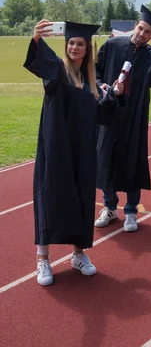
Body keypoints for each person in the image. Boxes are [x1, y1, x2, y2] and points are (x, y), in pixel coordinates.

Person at [24, 20, 123, 286]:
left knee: (81, 198)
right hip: (56, 149)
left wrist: (112, 94)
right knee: (50, 196)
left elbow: (102, 115)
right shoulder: (58, 70)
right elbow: (38, 61)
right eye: (70, 43)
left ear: (87, 49)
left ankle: (78, 254)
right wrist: (36, 39)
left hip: (82, 152)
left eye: (79, 43)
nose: (74, 47)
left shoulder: (91, 82)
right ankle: (42, 259)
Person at [95, 5, 151, 232]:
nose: (142, 34)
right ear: (135, 26)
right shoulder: (112, 45)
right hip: (110, 110)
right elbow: (94, 73)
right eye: (141, 28)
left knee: (133, 161)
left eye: (148, 32)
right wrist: (101, 85)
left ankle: (130, 211)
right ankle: (109, 207)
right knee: (105, 160)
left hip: (135, 116)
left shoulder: (150, 55)